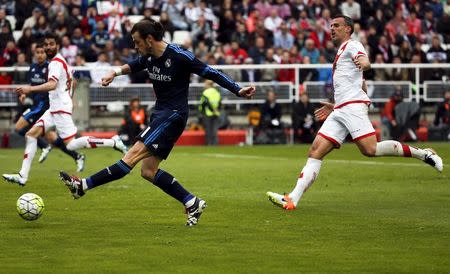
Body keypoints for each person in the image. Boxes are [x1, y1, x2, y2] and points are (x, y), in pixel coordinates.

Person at [59, 19, 256, 226]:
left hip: (173, 115)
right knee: (148, 171)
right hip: (161, 114)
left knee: (131, 156)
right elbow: (134, 65)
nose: (135, 46)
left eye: (137, 42)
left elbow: (211, 72)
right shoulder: (149, 56)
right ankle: (192, 202)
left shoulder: (180, 56)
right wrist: (114, 72)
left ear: (149, 39)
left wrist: (237, 90)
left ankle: (83, 185)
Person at [267, 15, 443, 210]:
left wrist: (364, 64)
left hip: (351, 108)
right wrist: (335, 104)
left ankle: (423, 154)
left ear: (348, 29)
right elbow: (361, 84)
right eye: (331, 25)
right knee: (315, 151)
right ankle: (292, 199)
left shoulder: (352, 45)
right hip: (341, 108)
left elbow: (364, 61)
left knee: (370, 150)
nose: (332, 29)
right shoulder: (341, 51)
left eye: (336, 26)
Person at [2, 33, 128, 187]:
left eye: (51, 44)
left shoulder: (55, 63)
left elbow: (52, 84)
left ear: (58, 46)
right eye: (46, 44)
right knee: (31, 135)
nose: (48, 47)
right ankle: (22, 176)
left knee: (71, 145)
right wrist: (69, 98)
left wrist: (29, 89)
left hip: (59, 109)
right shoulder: (62, 61)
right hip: (55, 107)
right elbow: (71, 82)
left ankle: (112, 142)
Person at [13, 42, 85, 170]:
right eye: (38, 53)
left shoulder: (52, 66)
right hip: (37, 105)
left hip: (45, 106)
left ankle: (44, 147)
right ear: (34, 54)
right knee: (52, 138)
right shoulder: (32, 68)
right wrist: (25, 95)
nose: (40, 55)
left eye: (42, 52)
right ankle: (77, 156)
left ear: (46, 53)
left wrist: (70, 97)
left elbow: (73, 76)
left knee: (19, 127)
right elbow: (32, 86)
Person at [199, 80, 221, 146]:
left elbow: (205, 103)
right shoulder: (217, 92)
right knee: (215, 129)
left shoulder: (206, 92)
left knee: (208, 129)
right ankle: (215, 143)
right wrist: (216, 110)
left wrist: (210, 110)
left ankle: (208, 143)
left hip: (207, 113)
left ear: (209, 85)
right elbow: (220, 103)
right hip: (216, 113)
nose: (204, 86)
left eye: (205, 84)